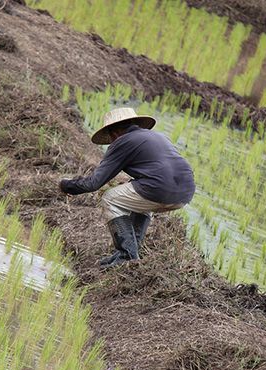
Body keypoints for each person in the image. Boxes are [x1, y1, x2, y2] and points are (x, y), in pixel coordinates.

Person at [59, 107, 195, 268]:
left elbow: (93, 183)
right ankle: (132, 251)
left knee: (110, 198)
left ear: (114, 133)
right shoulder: (157, 136)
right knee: (140, 201)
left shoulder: (123, 141)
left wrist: (66, 185)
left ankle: (127, 256)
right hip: (185, 193)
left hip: (159, 189)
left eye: (110, 138)